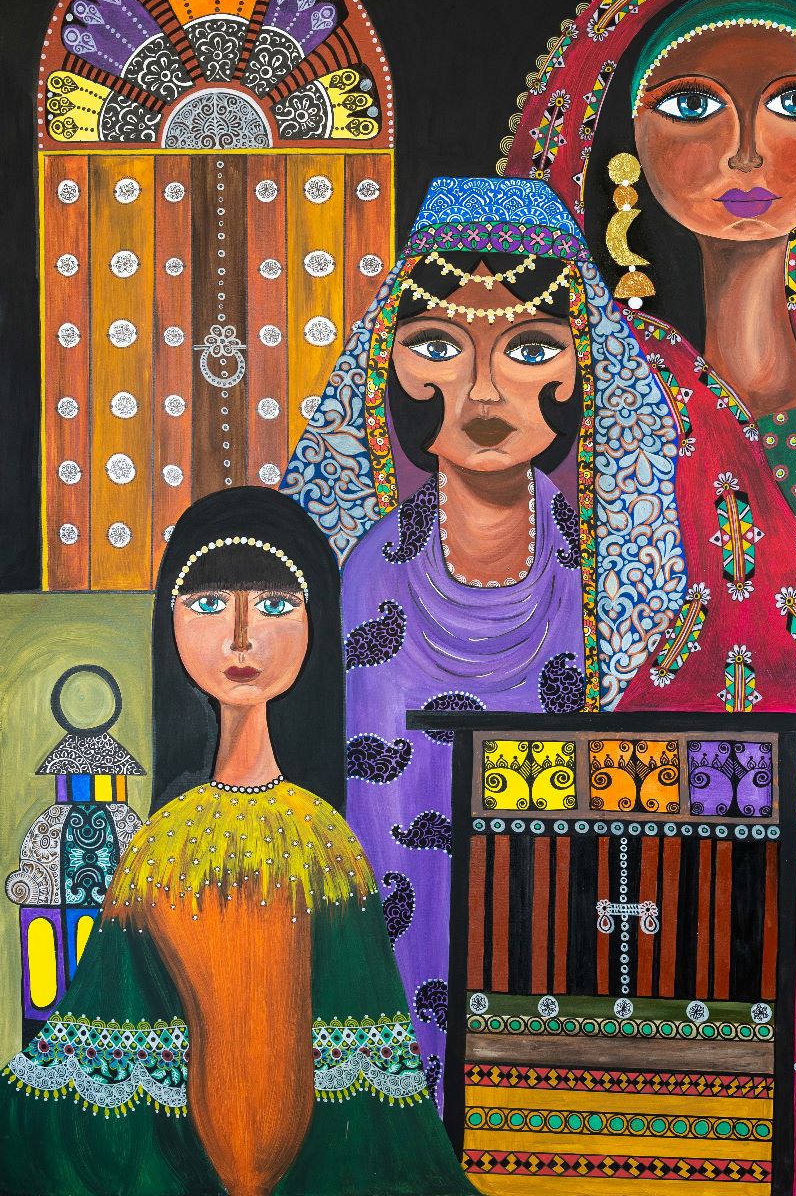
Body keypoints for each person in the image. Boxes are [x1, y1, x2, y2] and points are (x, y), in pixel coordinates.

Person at [505, 0, 796, 1190]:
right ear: (626, 149)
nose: (746, 152)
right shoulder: (609, 410)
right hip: (664, 895)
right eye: (692, 105)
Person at [282, 176, 687, 1102]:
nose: (485, 389)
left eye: (531, 348)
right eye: (438, 346)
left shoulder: (615, 582)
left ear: (582, 370)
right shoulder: (359, 577)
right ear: (392, 368)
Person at [0, 487, 474, 1196]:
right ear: (170, 622)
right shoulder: (161, 845)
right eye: (211, 603)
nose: (242, 637)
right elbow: (113, 1024)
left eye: (277, 605)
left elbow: (362, 1044)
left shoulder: (326, 844)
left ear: (316, 624)